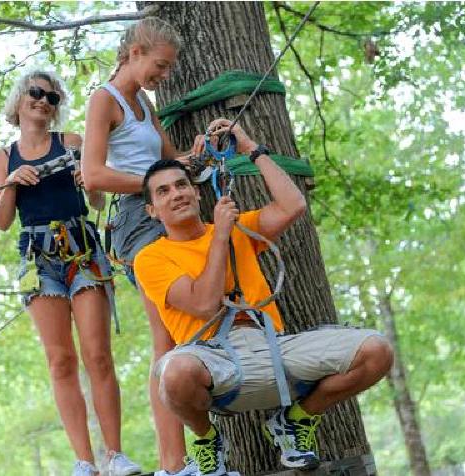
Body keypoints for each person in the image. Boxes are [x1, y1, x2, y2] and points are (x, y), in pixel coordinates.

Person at [134, 119, 395, 475]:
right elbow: (203, 304)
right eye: (163, 192)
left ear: (197, 192)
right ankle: (208, 440)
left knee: (376, 351)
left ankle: (296, 421)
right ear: (152, 210)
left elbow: (293, 206)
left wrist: (249, 146)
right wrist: (221, 236)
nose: (176, 193)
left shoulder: (240, 228)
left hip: (272, 348)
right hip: (213, 360)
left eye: (182, 185)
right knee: (173, 372)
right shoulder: (151, 258)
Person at [0, 70, 141, 476]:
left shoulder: (72, 143)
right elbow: (3, 222)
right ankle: (84, 461)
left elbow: (96, 199)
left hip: (82, 249)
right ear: (20, 99)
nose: (43, 102)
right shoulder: (5, 157)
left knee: (97, 354)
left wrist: (87, 182)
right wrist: (10, 185)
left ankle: (115, 453)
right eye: (36, 94)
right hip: (38, 259)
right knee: (60, 360)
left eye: (52, 97)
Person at [82, 17, 203, 476]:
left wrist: (193, 158)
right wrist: (155, 186)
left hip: (164, 210)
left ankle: (193, 455)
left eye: (169, 69)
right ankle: (174, 464)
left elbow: (168, 160)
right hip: (138, 220)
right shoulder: (104, 101)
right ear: (134, 53)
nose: (164, 76)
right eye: (160, 65)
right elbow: (94, 175)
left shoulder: (144, 104)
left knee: (191, 328)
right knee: (167, 337)